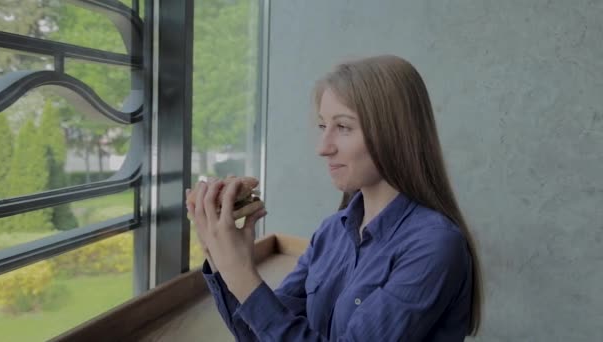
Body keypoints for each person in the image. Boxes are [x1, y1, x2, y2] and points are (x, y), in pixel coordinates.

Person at [186, 54, 482, 341]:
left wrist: (242, 275)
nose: (323, 147)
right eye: (322, 126)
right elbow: (257, 334)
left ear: (393, 134)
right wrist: (220, 252)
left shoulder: (434, 247)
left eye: (342, 127)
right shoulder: (331, 232)